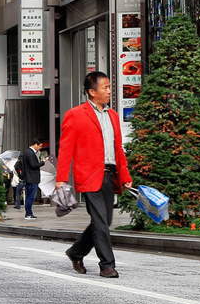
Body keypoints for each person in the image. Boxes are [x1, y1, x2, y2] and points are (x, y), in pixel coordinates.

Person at [56, 71, 132, 278]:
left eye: (109, 86)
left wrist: (125, 177)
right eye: (105, 87)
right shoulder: (76, 114)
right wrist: (61, 179)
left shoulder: (113, 116)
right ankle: (107, 265)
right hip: (88, 176)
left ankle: (76, 252)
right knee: (100, 221)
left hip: (110, 175)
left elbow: (118, 149)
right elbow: (66, 149)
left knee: (103, 221)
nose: (109, 90)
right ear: (92, 92)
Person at [15, 139, 48, 220]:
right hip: (32, 178)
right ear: (35, 144)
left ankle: (29, 213)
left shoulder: (27, 152)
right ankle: (28, 214)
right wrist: (43, 162)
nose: (40, 148)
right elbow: (33, 165)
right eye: (40, 146)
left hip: (29, 178)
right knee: (30, 197)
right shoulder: (30, 152)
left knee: (29, 196)